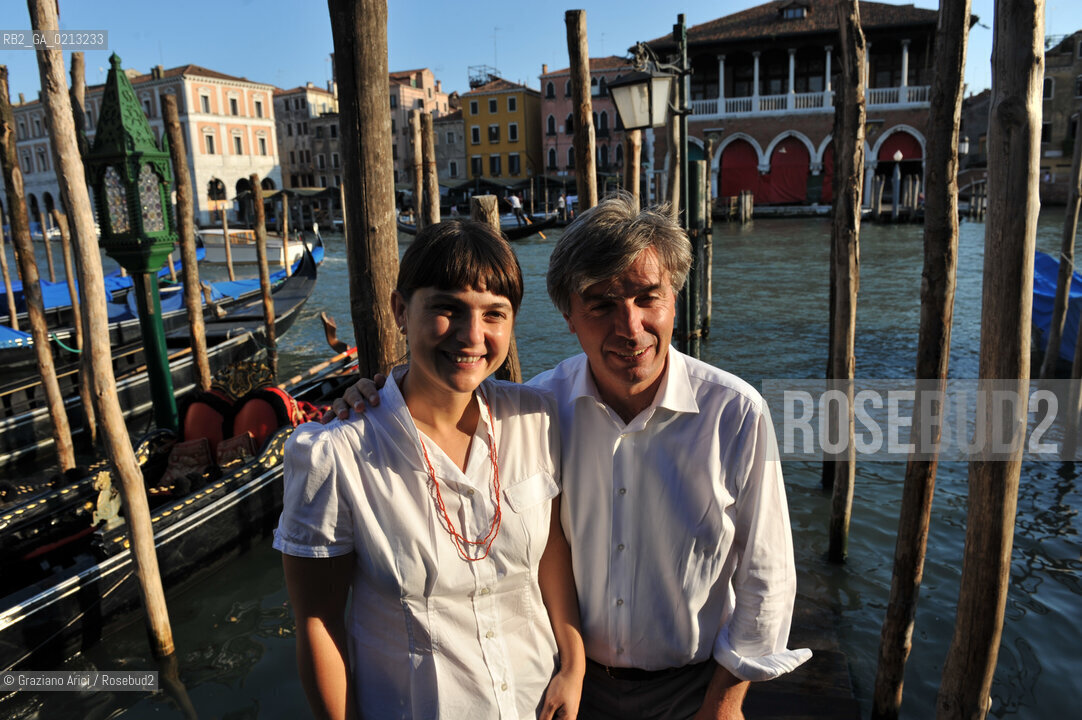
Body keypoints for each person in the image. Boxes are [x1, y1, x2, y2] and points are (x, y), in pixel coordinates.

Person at [331, 193, 810, 719]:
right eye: (601, 304)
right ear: (568, 315)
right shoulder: (532, 411)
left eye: (648, 298)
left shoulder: (737, 413)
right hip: (563, 688)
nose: (630, 328)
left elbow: (768, 575)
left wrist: (724, 704)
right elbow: (439, 415)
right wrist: (373, 396)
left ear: (674, 298)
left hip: (692, 691)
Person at [277, 220, 584, 719]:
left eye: (494, 314)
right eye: (447, 308)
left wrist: (573, 665)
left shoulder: (535, 417)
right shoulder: (333, 453)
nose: (472, 335)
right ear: (401, 310)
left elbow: (550, 550)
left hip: (540, 703)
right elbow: (319, 621)